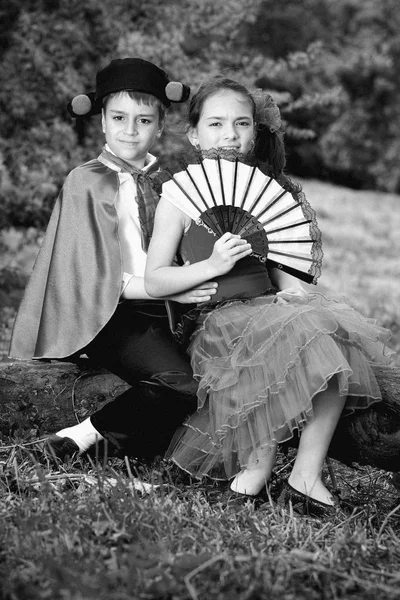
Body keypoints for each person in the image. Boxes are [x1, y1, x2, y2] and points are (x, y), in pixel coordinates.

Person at [144, 76, 394, 516]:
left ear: (254, 133)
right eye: (217, 124)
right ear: (194, 134)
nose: (230, 135)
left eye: (241, 125)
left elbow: (283, 271)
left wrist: (295, 297)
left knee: (326, 328)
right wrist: (211, 265)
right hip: (216, 320)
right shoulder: (180, 197)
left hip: (266, 308)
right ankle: (256, 471)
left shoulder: (266, 194)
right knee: (280, 340)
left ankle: (306, 475)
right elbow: (154, 280)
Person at [9, 58, 218, 460]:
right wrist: (178, 286)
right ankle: (81, 436)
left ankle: (135, 459)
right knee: (182, 385)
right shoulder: (84, 182)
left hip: (170, 309)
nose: (130, 130)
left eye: (143, 120)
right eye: (119, 117)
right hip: (109, 315)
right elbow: (98, 278)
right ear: (102, 121)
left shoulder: (170, 182)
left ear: (159, 126)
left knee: (220, 378)